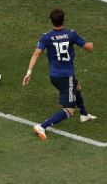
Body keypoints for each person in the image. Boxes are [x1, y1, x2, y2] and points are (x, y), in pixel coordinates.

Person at [22, 8, 96, 141]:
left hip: (55, 75)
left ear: (51, 21)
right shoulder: (71, 34)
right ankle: (42, 126)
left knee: (77, 87)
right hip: (65, 77)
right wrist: (91, 43)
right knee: (69, 110)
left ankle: (84, 115)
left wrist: (29, 72)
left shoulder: (46, 36)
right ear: (64, 19)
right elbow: (89, 47)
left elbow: (36, 53)